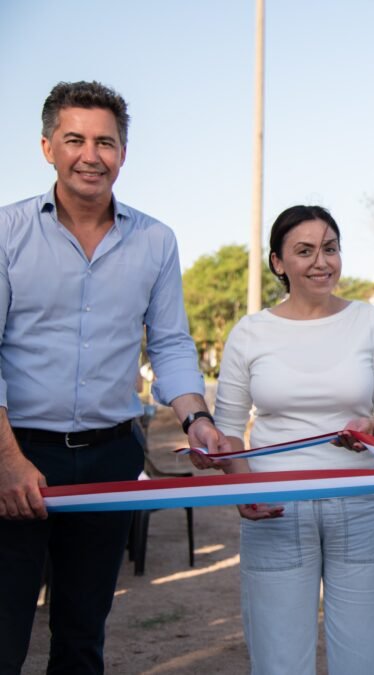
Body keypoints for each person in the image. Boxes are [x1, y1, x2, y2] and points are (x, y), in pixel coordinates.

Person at [0, 80, 225, 674]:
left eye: (106, 142)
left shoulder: (156, 240)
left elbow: (171, 341)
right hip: (16, 455)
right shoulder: (5, 232)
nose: (90, 155)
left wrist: (197, 418)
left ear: (123, 154)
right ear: (47, 146)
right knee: (3, 630)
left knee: (82, 633)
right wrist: (7, 460)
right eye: (75, 139)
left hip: (109, 460)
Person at [206, 205, 374, 675]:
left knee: (369, 660)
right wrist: (244, 490)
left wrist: (370, 431)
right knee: (278, 661)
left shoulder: (371, 323)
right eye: (305, 251)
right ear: (278, 262)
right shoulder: (250, 333)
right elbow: (230, 430)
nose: (322, 261)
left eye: (330, 248)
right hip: (275, 510)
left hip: (361, 504)